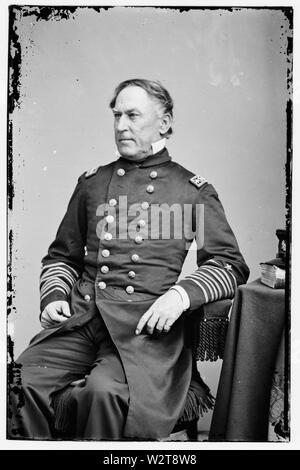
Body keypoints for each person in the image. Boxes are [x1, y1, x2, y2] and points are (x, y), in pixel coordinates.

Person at [8, 79, 249, 440]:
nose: (121, 125)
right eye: (117, 115)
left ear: (164, 123)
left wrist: (180, 296)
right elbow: (62, 256)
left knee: (104, 395)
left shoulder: (191, 190)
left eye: (133, 115)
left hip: (144, 329)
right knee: (18, 383)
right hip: (83, 319)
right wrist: (55, 296)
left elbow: (229, 264)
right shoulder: (92, 182)